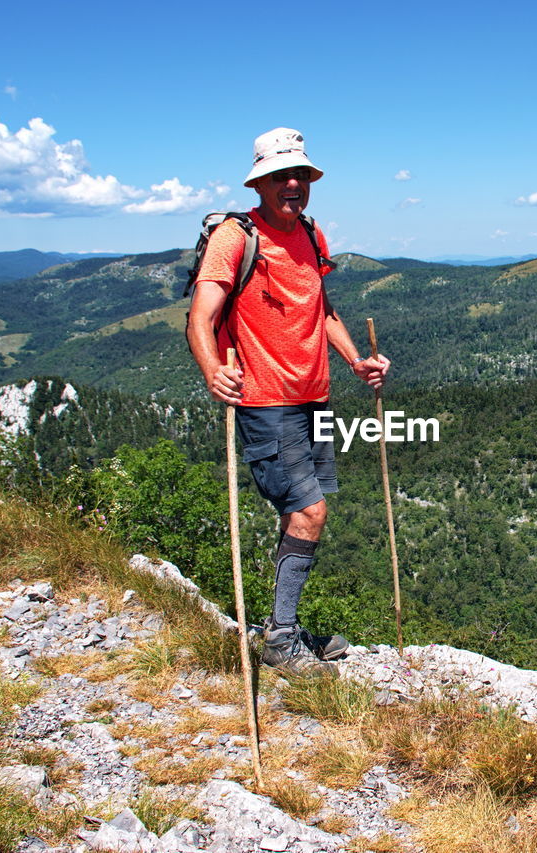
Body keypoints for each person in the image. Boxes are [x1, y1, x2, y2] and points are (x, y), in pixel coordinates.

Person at [187, 127, 390, 674]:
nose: (293, 184)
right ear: (261, 183)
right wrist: (212, 370)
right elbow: (200, 317)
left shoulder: (310, 234)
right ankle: (279, 640)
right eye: (281, 175)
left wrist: (355, 361)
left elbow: (322, 310)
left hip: (313, 398)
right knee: (309, 512)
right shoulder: (237, 237)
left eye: (300, 174)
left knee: (302, 515)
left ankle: (285, 627)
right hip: (266, 401)